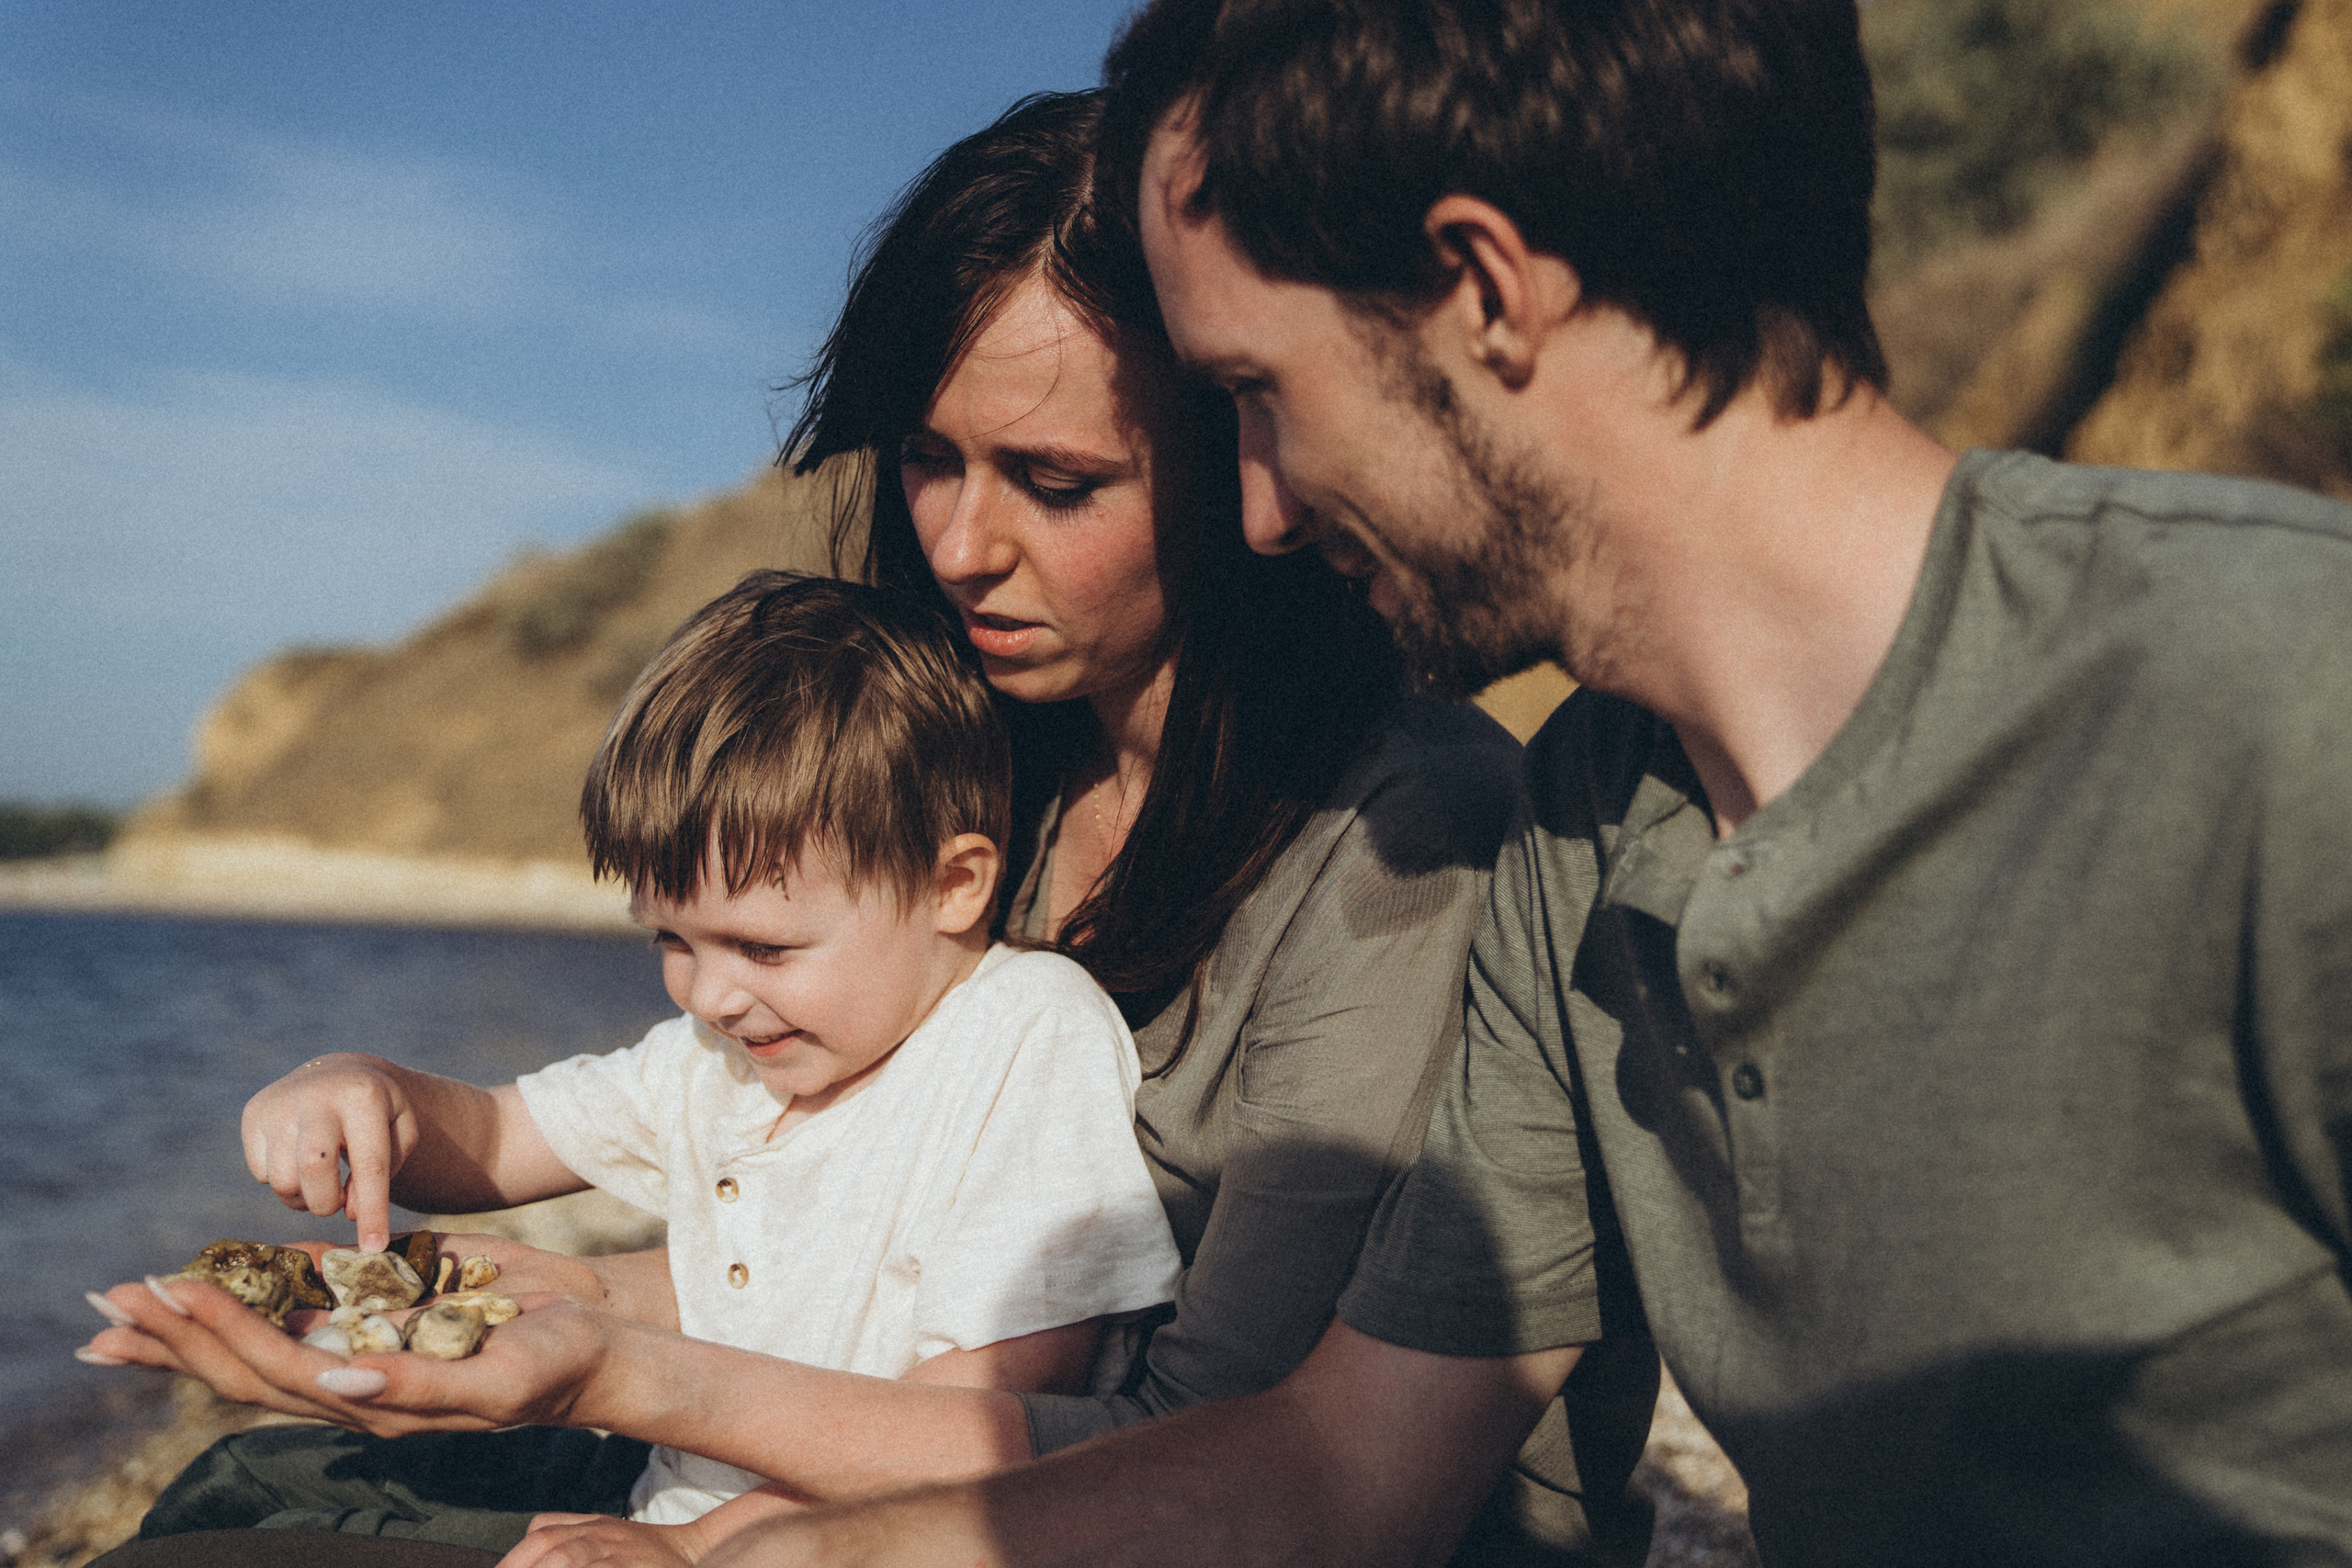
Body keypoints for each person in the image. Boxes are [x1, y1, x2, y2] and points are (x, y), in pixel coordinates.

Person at [675, 1, 2352, 1564]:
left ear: (1485, 292)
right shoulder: (1585, 832)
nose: (1257, 513)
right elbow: (1341, 1464)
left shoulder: (2278, 690)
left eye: (1257, 394)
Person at [82, 91, 1628, 1568]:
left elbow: (1215, 1449)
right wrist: (493, 1301)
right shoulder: (980, 765)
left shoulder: (1401, 841)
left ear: (1242, 458)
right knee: (255, 1473)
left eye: (1055, 479)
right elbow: (836, 1261)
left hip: (1151, 1520)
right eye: (930, 456)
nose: (960, 544)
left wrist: (610, 1376)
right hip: (881, 1472)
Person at [118, 570, 1183, 1559]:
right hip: (662, 1496)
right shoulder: (723, 1057)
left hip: (819, 1543)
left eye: (764, 947)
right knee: (242, 1474)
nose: (710, 994)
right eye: (672, 939)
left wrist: (702, 1546)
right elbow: (493, 1139)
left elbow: (987, 1436)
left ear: (953, 886)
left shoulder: (1020, 1042)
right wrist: (365, 1090)